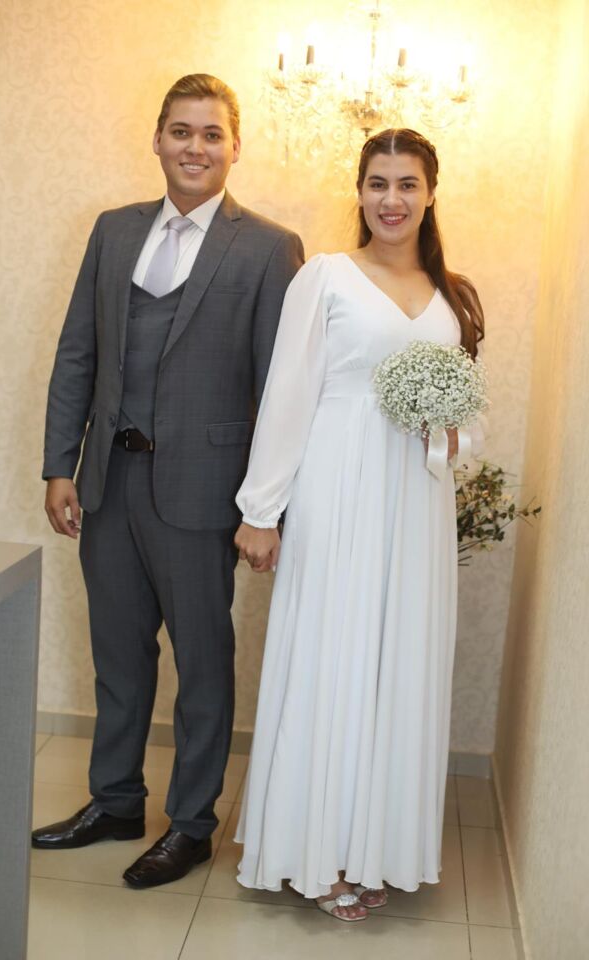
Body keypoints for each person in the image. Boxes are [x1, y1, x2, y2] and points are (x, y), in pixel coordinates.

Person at [33, 73, 304, 889]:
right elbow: (77, 351)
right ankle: (116, 801)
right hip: (109, 481)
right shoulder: (113, 230)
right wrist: (59, 464)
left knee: (202, 666)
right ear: (157, 139)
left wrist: (269, 506)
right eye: (181, 131)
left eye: (212, 134)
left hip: (203, 492)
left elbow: (282, 387)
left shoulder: (269, 247)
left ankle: (190, 825)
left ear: (235, 147)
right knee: (118, 656)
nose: (195, 147)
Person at [233, 128, 484, 921]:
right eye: (378, 183)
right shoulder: (326, 277)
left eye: (407, 184)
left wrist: (451, 434)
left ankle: (373, 847)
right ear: (360, 191)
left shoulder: (455, 295)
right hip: (337, 489)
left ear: (431, 193)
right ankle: (317, 853)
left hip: (417, 502)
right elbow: (288, 393)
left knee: (397, 663)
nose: (391, 199)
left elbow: (468, 411)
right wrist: (261, 510)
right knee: (331, 658)